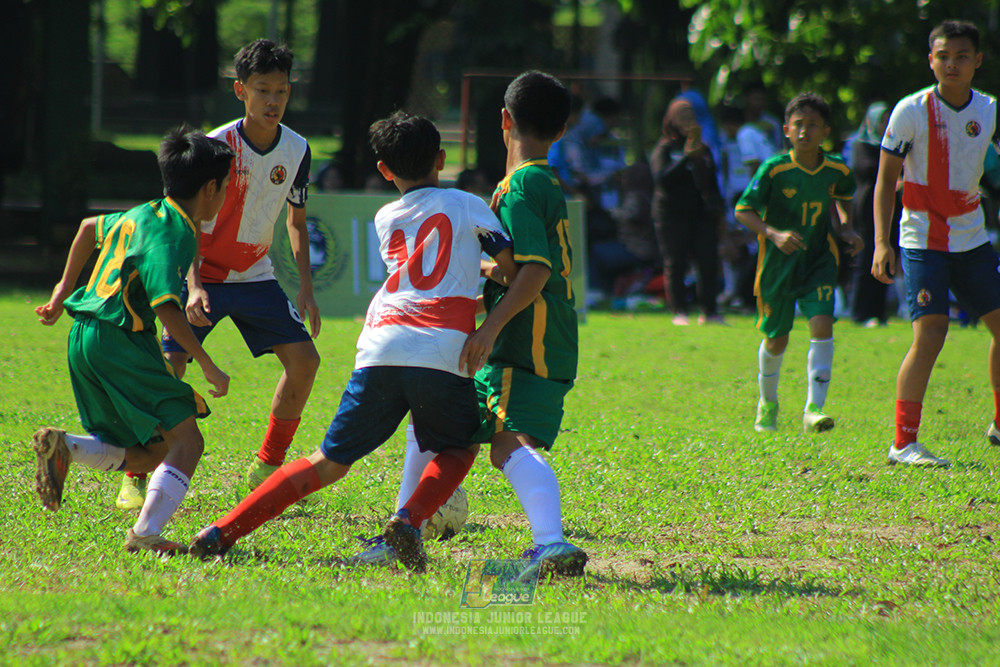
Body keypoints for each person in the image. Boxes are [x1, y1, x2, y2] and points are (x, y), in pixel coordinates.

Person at [189, 111, 520, 572]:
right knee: (461, 446)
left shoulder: (386, 217)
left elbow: (423, 273)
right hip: (443, 349)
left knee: (327, 461)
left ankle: (222, 530)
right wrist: (488, 291)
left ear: (385, 171)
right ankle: (409, 519)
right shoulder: (468, 203)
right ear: (442, 159)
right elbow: (510, 269)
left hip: (381, 345)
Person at [352, 71, 588, 578]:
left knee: (507, 444)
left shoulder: (522, 184)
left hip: (527, 335)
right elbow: (520, 265)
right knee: (433, 419)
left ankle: (551, 543)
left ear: (503, 120)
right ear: (562, 130)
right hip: (538, 332)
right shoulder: (536, 181)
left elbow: (536, 271)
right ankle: (403, 527)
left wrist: (490, 328)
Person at [118, 39, 322, 511]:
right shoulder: (215, 147)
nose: (273, 101)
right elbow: (187, 220)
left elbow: (295, 221)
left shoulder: (298, 149)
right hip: (202, 275)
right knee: (171, 369)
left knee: (306, 363)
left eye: (282, 91)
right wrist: (192, 285)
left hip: (256, 276)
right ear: (240, 91)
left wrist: (305, 288)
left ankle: (268, 465)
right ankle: (136, 471)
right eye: (262, 90)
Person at [30, 126, 234, 554]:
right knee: (189, 441)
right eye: (226, 188)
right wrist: (207, 362)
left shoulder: (144, 213)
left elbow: (88, 228)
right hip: (120, 341)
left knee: (150, 450)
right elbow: (165, 307)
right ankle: (144, 536)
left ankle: (65, 447)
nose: (226, 197)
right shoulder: (176, 234)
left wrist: (59, 294)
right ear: (211, 188)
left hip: (84, 336)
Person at [872, 20, 1000, 467]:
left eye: (962, 56)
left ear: (977, 61)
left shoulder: (990, 111)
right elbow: (886, 179)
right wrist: (881, 244)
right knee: (931, 332)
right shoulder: (910, 111)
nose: (952, 64)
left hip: (972, 238)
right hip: (922, 239)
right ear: (931, 60)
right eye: (943, 56)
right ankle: (903, 443)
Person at [735, 93, 863, 433]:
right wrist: (773, 233)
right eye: (799, 125)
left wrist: (847, 228)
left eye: (813, 125)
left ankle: (813, 409)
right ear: (787, 130)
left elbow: (844, 196)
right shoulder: (774, 169)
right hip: (778, 264)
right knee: (777, 339)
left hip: (819, 259)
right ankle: (768, 403)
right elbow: (743, 210)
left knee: (822, 325)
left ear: (825, 131)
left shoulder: (836, 168)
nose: (805, 131)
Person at [651, 97, 726, 326]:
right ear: (672, 120)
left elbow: (712, 183)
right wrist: (686, 157)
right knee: (676, 262)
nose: (687, 121)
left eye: (691, 117)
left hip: (700, 214)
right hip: (672, 214)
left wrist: (719, 212)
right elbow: (662, 179)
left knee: (708, 261)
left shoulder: (704, 150)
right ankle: (679, 311)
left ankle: (710, 311)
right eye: (682, 117)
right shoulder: (665, 148)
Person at [848, 102, 898, 327]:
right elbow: (868, 170)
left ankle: (879, 312)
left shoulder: (893, 144)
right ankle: (860, 311)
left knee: (887, 256)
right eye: (881, 119)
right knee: (867, 255)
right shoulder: (861, 144)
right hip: (867, 207)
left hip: (890, 208)